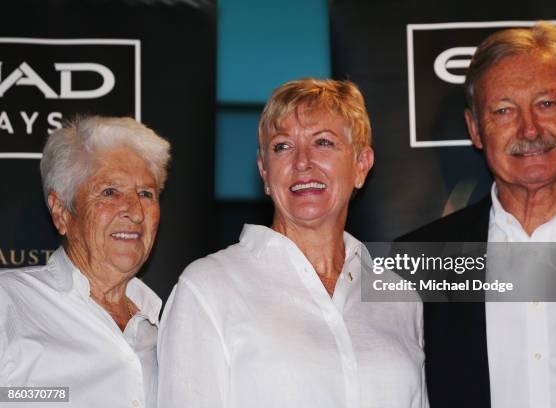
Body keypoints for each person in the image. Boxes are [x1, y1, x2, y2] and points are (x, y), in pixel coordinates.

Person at [158, 78, 427, 408]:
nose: (302, 162)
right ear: (265, 172)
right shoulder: (209, 287)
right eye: (282, 146)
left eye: (323, 142)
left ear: (361, 165)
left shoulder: (399, 296)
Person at [396, 22, 556, 408]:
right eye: (504, 110)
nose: (529, 129)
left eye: (546, 103)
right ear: (476, 129)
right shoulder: (419, 263)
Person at [0, 116, 171, 408]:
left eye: (146, 194)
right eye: (110, 192)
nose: (135, 212)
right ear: (61, 212)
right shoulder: (9, 303)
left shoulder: (167, 327)